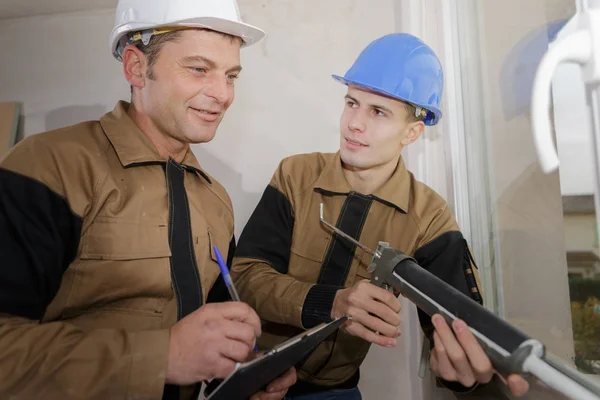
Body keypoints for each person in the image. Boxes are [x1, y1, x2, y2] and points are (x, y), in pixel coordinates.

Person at [0, 0, 296, 399]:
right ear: (137, 68)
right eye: (198, 69)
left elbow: (209, 334)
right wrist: (163, 356)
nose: (223, 94)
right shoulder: (52, 165)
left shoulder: (214, 199)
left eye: (231, 75)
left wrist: (243, 370)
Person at [230, 33, 530, 399]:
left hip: (334, 392)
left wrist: (460, 370)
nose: (354, 123)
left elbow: (458, 331)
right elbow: (244, 278)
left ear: (412, 132)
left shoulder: (430, 216)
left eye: (378, 112)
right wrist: (333, 303)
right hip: (256, 377)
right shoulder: (295, 175)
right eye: (352, 103)